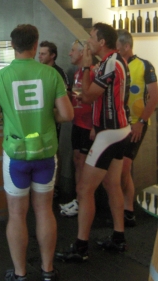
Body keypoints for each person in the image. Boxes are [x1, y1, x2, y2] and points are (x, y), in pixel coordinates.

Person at [0, 24, 74, 281]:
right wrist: (49, 115)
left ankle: (20, 273)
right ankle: (48, 270)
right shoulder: (51, 74)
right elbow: (67, 114)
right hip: (46, 154)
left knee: (16, 214)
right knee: (44, 211)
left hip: (16, 157)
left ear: (13, 45)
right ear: (35, 46)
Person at [56, 23, 130, 263]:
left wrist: (87, 66)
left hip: (109, 133)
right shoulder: (117, 61)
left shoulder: (109, 63)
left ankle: (81, 247)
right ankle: (118, 237)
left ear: (102, 42)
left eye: (91, 37)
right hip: (119, 130)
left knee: (84, 189)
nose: (88, 41)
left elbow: (87, 96)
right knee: (112, 185)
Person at [116, 29, 158, 227]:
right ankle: (126, 210)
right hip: (117, 124)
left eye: (117, 45)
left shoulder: (144, 65)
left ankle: (126, 210)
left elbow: (155, 97)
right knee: (120, 169)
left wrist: (141, 123)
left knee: (124, 168)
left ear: (126, 46)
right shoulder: (114, 64)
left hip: (135, 124)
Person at [59, 40, 93, 218]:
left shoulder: (91, 71)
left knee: (84, 165)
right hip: (77, 123)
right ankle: (79, 200)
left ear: (82, 53)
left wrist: (95, 126)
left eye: (73, 50)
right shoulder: (78, 72)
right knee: (77, 161)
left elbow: (97, 99)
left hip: (88, 126)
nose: (70, 54)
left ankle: (84, 201)